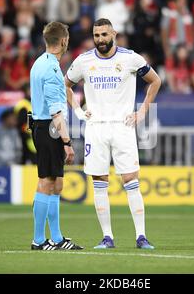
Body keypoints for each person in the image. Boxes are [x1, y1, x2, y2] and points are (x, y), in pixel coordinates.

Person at [65, 18, 161, 249]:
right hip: (95, 127)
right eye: (96, 35)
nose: (100, 40)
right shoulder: (83, 61)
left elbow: (155, 80)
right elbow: (65, 84)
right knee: (99, 181)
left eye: (104, 35)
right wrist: (77, 111)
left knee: (130, 180)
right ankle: (107, 237)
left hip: (122, 126)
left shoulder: (130, 58)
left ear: (114, 34)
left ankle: (141, 236)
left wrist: (142, 111)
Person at [29, 21, 83, 251]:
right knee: (47, 182)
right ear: (63, 41)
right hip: (48, 128)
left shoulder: (40, 63)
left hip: (43, 126)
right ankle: (39, 240)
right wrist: (67, 142)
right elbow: (56, 112)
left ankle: (57, 238)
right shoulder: (50, 69)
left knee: (57, 182)